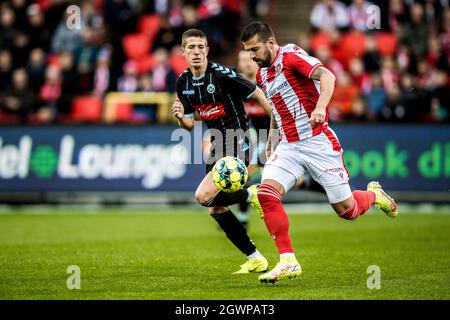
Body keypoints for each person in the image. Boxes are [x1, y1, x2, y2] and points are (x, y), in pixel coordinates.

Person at [240, 22, 399, 284]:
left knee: (346, 210)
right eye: (247, 51)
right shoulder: (262, 75)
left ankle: (374, 195)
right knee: (266, 193)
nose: (251, 56)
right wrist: (271, 140)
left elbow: (328, 76)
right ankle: (288, 260)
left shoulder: (291, 57)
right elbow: (277, 110)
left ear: (270, 42)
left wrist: (321, 108)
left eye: (254, 49)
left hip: (317, 142)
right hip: (288, 146)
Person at [171, 29, 271, 274]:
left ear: (207, 50)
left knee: (202, 196)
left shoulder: (223, 75)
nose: (196, 51)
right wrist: (179, 118)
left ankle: (250, 196)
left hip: (238, 139)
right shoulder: (182, 82)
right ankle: (256, 258)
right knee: (215, 207)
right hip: (217, 144)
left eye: (200, 47)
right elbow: (189, 122)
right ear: (183, 52)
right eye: (191, 47)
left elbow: (257, 92)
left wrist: (277, 123)